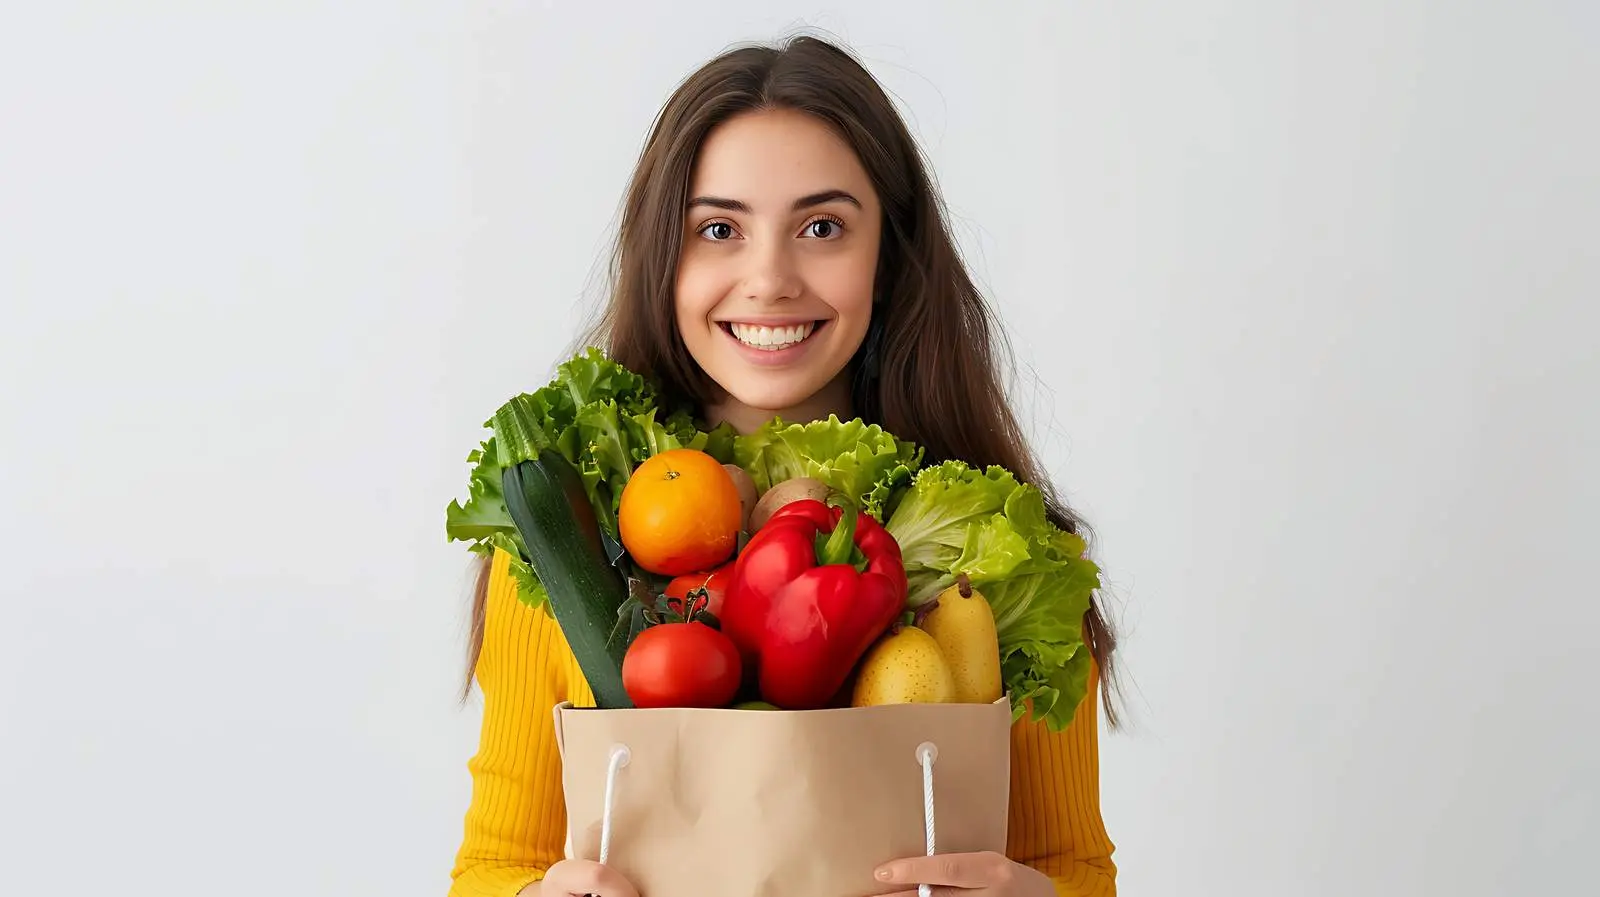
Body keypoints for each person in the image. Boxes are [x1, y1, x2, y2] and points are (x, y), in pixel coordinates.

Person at [449, 34, 1122, 897]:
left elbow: (1075, 868)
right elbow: (492, 864)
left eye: (822, 227)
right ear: (665, 259)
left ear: (888, 260)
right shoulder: (562, 537)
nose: (769, 278)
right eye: (719, 229)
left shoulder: (996, 553)